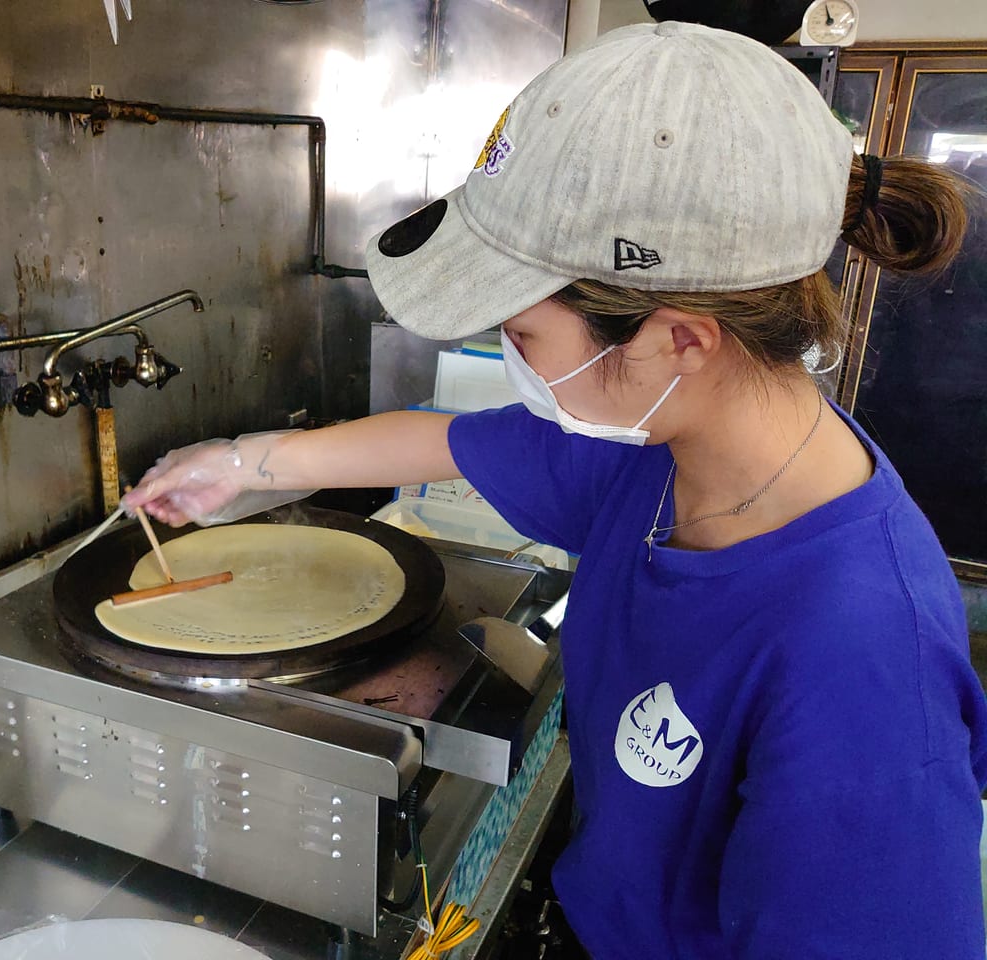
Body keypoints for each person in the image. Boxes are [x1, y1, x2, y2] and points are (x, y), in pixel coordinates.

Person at [122, 21, 987, 959]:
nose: (508, 361)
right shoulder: (656, 451)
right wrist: (247, 462)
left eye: (524, 338)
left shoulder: (863, 669)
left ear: (680, 340)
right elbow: (446, 440)